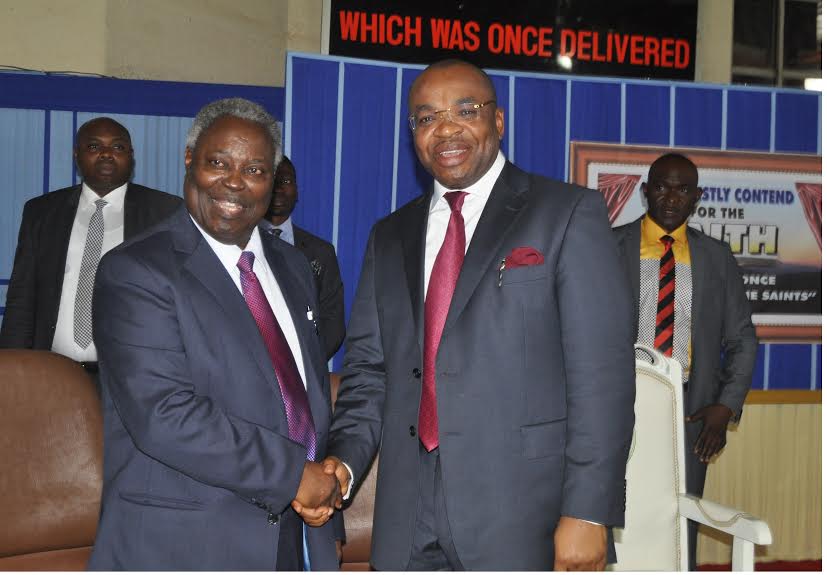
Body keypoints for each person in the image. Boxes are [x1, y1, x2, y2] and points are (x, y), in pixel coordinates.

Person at [320, 59, 636, 570]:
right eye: (425, 118)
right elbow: (369, 374)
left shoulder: (566, 213)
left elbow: (602, 379)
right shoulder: (390, 235)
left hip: (520, 514)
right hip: (406, 512)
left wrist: (588, 511)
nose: (445, 128)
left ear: (499, 121)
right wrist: (344, 462)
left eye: (465, 110)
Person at [87, 98, 341, 570]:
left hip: (295, 535)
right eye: (218, 163)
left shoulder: (294, 266)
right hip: (184, 544)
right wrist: (294, 476)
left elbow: (302, 395)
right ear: (190, 160)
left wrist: (321, 486)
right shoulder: (136, 270)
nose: (234, 182)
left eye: (255, 169)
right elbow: (163, 414)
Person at [613, 152, 758, 569]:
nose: (671, 197)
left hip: (691, 415)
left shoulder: (716, 257)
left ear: (697, 197)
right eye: (661, 186)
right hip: (618, 405)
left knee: (679, 522)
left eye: (682, 188)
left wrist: (724, 406)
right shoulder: (608, 245)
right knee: (613, 513)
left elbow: (743, 338)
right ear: (645, 192)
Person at [0, 117, 181, 379]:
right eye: (94, 147)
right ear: (77, 155)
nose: (107, 154)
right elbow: (22, 297)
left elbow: (176, 300)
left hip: (133, 378)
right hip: (52, 372)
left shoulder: (165, 212)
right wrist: (10, 371)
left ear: (131, 156)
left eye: (118, 147)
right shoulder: (42, 212)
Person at [262, 156, 345, 361]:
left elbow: (332, 323)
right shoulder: (236, 245)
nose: (279, 188)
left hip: (305, 373)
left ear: (297, 191)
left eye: (286, 181)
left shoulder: (321, 252)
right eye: (272, 181)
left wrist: (304, 363)